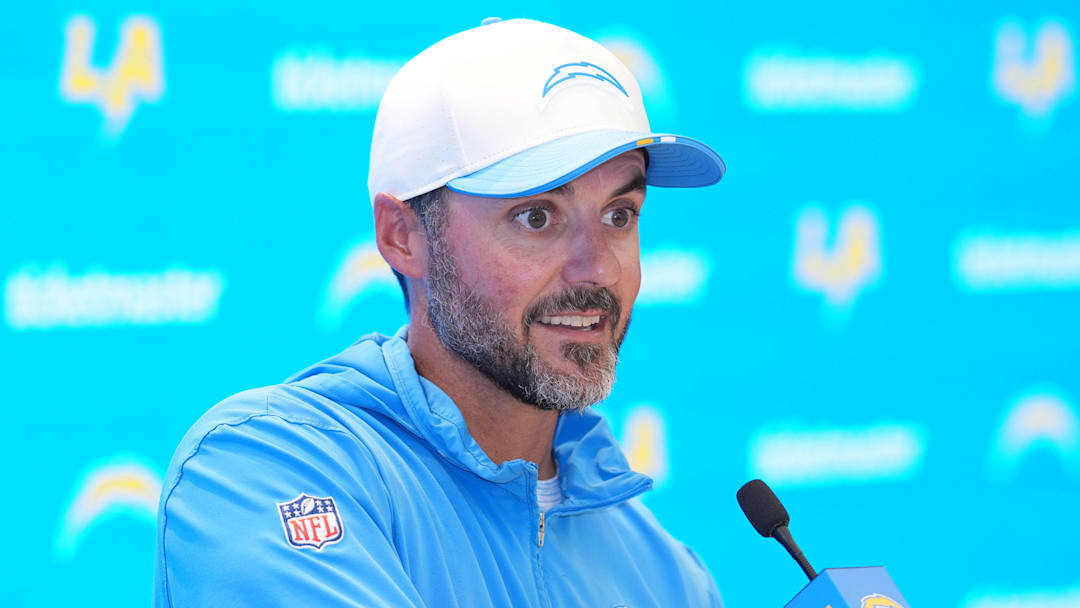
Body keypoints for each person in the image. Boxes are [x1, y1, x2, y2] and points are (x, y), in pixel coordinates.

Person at [154, 18, 726, 607]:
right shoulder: (269, 467)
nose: (598, 270)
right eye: (536, 217)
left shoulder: (665, 573)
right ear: (403, 235)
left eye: (619, 216)